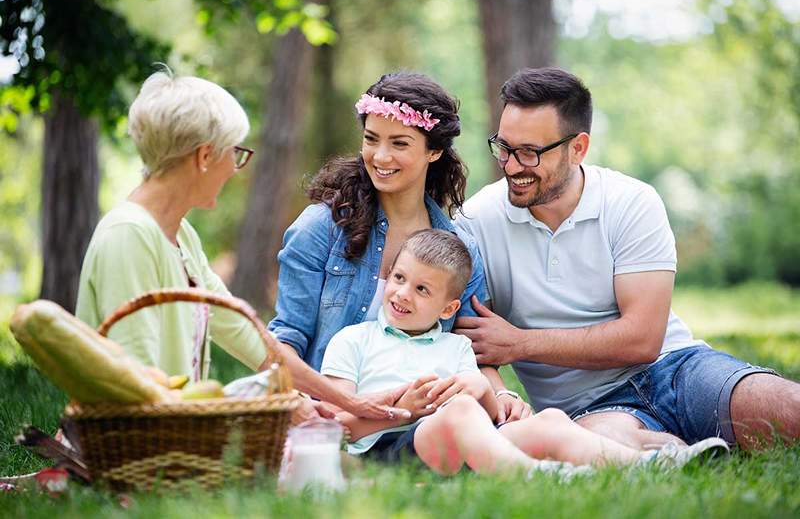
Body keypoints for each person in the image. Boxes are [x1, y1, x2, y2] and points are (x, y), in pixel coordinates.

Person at [454, 66, 800, 450]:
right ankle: (682, 450)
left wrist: (521, 343)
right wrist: (502, 395)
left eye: (530, 152)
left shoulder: (631, 202)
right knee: (606, 450)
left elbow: (643, 339)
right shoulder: (476, 221)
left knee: (787, 409)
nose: (512, 165)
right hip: (591, 408)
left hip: (678, 370)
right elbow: (475, 343)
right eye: (504, 147)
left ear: (578, 148)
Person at [75, 69, 401, 420]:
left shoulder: (180, 234)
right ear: (204, 157)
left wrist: (343, 402)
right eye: (235, 153)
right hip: (139, 440)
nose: (236, 168)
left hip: (172, 429)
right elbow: (137, 383)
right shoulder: (129, 236)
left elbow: (249, 337)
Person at [321, 229, 728, 474]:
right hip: (390, 450)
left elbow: (493, 415)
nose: (401, 294)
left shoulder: (457, 345)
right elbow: (333, 427)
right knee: (459, 410)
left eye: (421, 289)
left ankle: (648, 465)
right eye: (399, 278)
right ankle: (534, 475)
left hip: (469, 447)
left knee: (549, 419)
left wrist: (480, 389)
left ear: (448, 309)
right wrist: (404, 410)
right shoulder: (354, 341)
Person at [269, 72, 530, 423]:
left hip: (427, 422)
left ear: (434, 151)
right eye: (371, 139)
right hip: (330, 415)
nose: (380, 156)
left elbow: (472, 353)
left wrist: (502, 396)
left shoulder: (458, 249)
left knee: (541, 427)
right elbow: (287, 337)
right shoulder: (321, 229)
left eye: (400, 143)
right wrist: (299, 406)